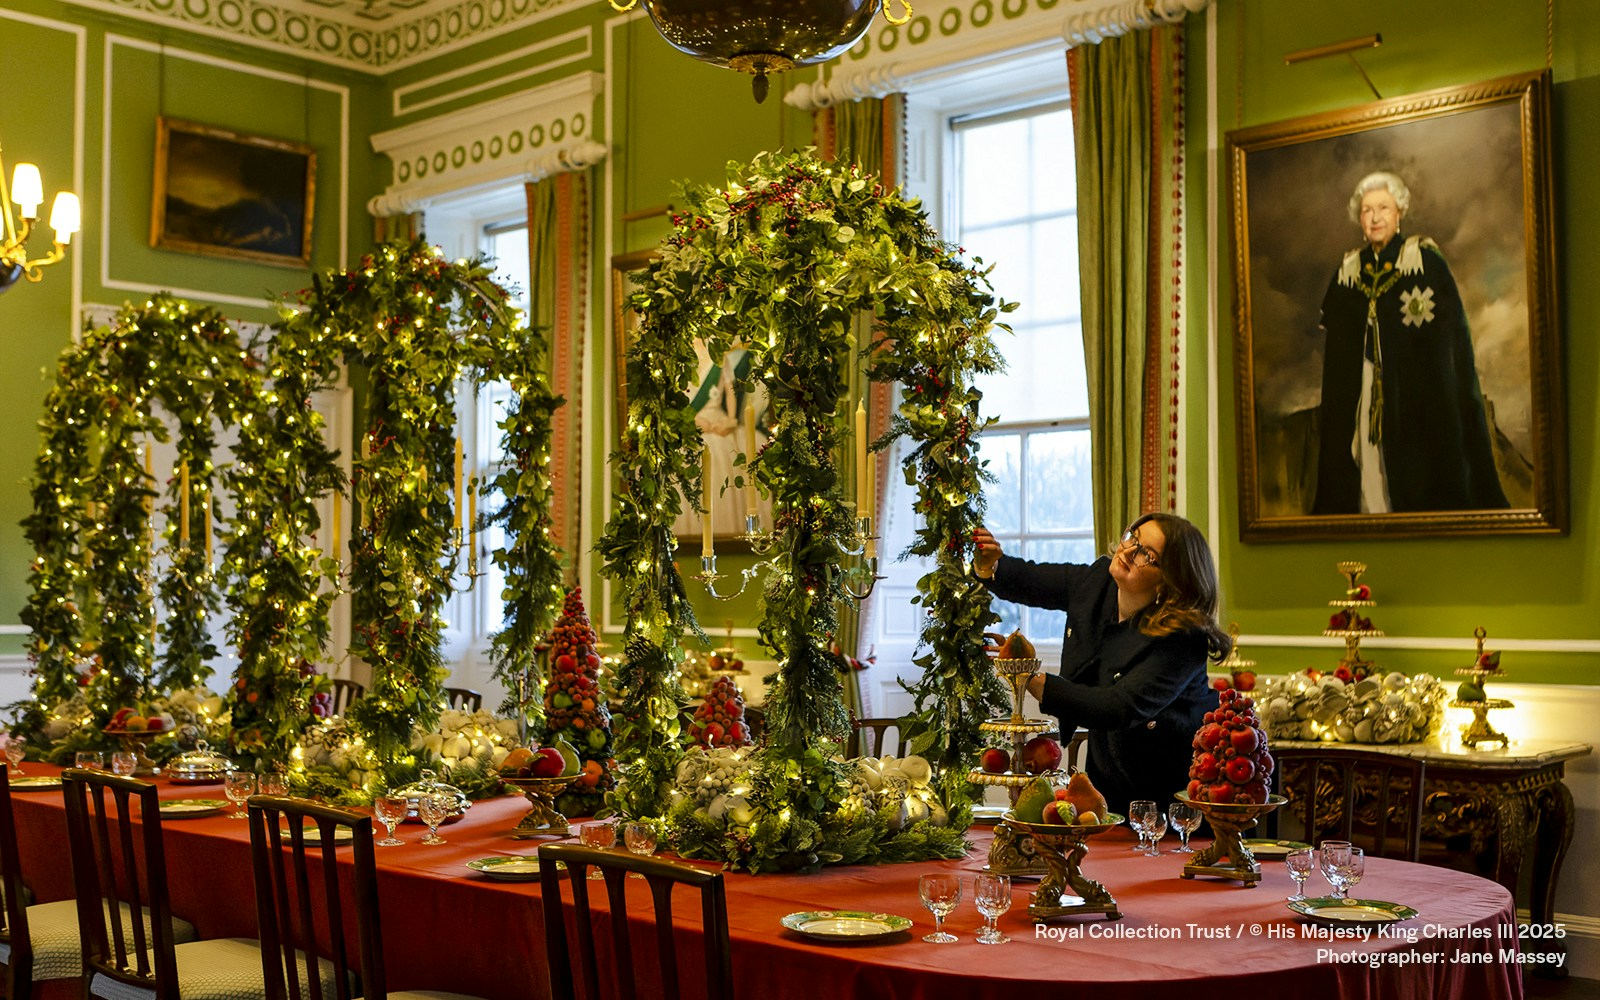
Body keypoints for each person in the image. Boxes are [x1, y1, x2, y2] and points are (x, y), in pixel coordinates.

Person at [972, 514, 1229, 814]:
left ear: (1170, 580)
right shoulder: (1097, 583)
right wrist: (991, 564)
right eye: (1133, 537)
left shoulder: (1184, 638)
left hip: (1175, 795)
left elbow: (1117, 707)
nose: (1128, 552)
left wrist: (1029, 677)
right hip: (1110, 783)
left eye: (1146, 554)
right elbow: (1032, 580)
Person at [1311, 171, 1507, 514]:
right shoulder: (1348, 273)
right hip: (1364, 393)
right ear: (1359, 218)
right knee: (1366, 462)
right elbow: (1340, 353)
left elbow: (1448, 346)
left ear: (1398, 213)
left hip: (1415, 400)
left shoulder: (1423, 262)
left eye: (1383, 208)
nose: (1375, 218)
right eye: (1367, 210)